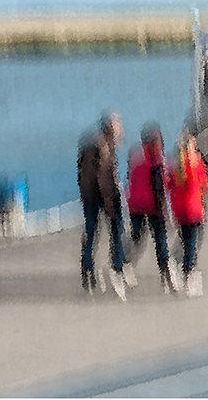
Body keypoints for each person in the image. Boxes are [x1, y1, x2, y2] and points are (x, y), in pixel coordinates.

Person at [78, 110, 128, 300]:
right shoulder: (103, 147)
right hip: (103, 196)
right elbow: (103, 178)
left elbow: (82, 173)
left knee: (91, 232)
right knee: (117, 230)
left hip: (89, 195)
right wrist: (109, 201)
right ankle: (117, 267)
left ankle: (87, 270)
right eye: (117, 126)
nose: (121, 129)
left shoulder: (90, 144)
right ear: (109, 129)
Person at [124, 123, 177, 294]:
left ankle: (125, 263)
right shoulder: (156, 158)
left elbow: (131, 178)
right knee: (160, 241)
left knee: (137, 238)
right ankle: (167, 277)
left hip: (135, 203)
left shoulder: (135, 154)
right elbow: (159, 186)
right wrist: (166, 211)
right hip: (152, 205)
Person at [169, 129, 208, 297]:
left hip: (181, 211)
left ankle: (176, 263)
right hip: (194, 210)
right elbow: (204, 186)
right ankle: (188, 276)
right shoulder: (194, 165)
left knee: (186, 240)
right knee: (192, 244)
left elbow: (170, 186)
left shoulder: (177, 167)